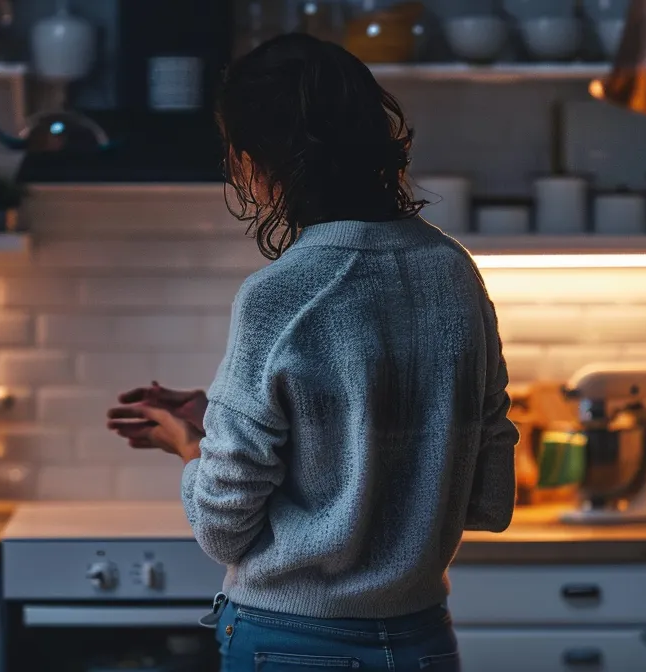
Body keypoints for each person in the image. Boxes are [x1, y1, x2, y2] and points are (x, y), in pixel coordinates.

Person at [105, 33, 517, 672]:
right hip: (424, 644)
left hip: (293, 644)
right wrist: (218, 415)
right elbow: (487, 494)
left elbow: (222, 526)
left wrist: (189, 444)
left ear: (257, 162)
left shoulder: (282, 293)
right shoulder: (452, 270)